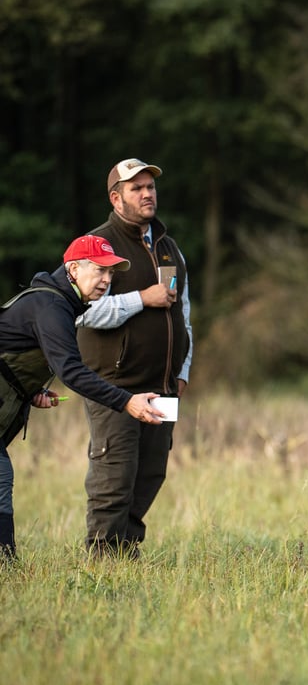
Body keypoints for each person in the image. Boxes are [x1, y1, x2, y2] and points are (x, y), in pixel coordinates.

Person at [0, 235, 166, 559]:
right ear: (73, 269)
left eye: (111, 273)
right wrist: (126, 401)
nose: (107, 280)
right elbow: (72, 372)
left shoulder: (59, 304)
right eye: (100, 270)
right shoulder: (51, 307)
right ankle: (5, 562)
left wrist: (30, 390)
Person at [76, 158, 192, 559]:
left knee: (151, 473)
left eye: (150, 187)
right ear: (116, 198)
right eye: (136, 188)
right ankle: (103, 558)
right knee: (115, 473)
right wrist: (142, 298)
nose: (147, 194)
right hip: (114, 385)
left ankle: (125, 550)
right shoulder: (97, 246)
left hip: (163, 386)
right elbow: (84, 312)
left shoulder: (169, 247)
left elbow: (184, 314)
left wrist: (182, 371)